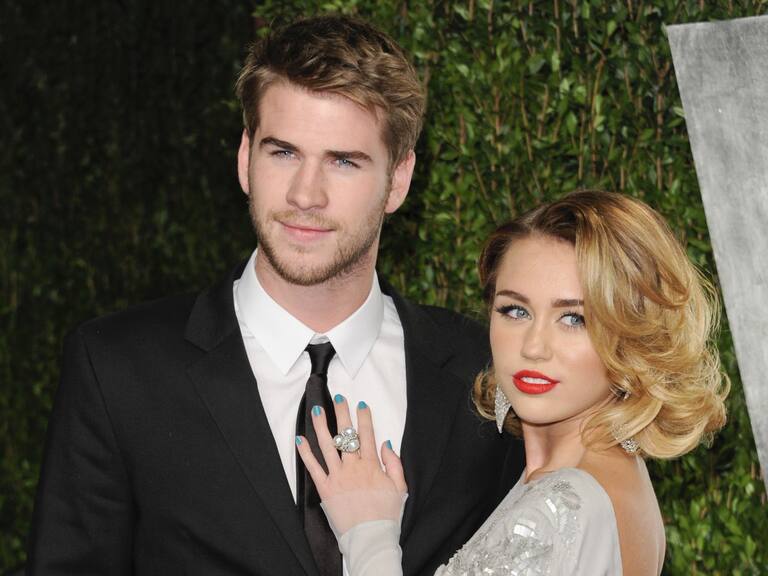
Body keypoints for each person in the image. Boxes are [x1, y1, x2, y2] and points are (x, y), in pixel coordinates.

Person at [26, 15, 524, 576]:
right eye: (283, 152)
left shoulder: (484, 373)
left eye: (343, 161)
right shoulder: (118, 369)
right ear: (246, 157)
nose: (305, 195)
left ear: (399, 180)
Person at [297, 190, 729, 575]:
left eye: (574, 318)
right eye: (515, 311)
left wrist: (369, 532)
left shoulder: (562, 504)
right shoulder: (609, 476)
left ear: (632, 335)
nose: (534, 347)